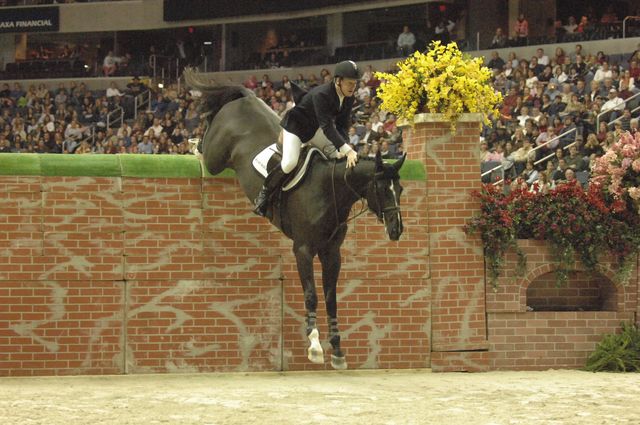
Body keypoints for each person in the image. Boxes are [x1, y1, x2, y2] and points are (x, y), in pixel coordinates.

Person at [253, 60, 361, 217]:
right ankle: (264, 195)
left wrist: (344, 147)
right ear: (338, 81)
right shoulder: (322, 94)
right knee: (290, 163)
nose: (353, 87)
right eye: (350, 83)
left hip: (315, 129)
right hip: (296, 128)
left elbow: (343, 125)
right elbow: (327, 126)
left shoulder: (349, 97)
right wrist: (347, 149)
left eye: (355, 83)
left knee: (337, 156)